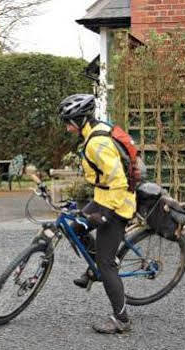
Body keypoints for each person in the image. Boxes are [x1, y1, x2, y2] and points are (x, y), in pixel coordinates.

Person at [57, 93, 136, 334]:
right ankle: (94, 268)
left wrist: (106, 214)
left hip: (118, 202)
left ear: (81, 119)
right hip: (103, 196)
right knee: (73, 227)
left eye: (69, 121)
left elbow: (120, 182)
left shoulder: (97, 143)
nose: (67, 126)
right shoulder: (94, 131)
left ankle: (121, 320)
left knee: (107, 263)